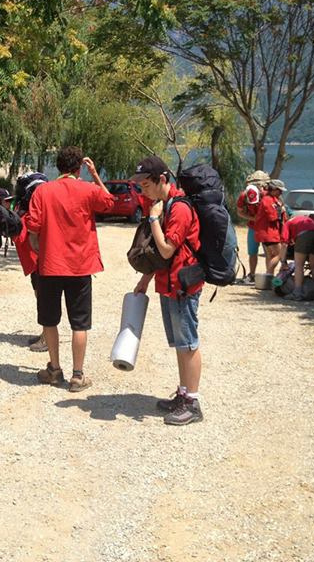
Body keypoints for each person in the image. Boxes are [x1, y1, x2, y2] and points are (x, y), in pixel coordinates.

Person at [25, 147, 113, 392]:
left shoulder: (43, 191)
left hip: (50, 266)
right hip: (80, 267)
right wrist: (95, 175)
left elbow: (33, 228)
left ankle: (54, 370)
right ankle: (77, 375)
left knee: (49, 320)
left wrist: (38, 249)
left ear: (59, 166)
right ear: (78, 168)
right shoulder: (88, 190)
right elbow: (109, 202)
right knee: (79, 324)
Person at [131, 156, 204, 426]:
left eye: (146, 185)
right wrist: (146, 279)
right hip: (170, 284)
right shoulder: (166, 205)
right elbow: (161, 257)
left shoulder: (179, 209)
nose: (143, 191)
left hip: (183, 286)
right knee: (179, 344)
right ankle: (183, 394)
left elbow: (165, 250)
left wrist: (153, 218)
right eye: (140, 186)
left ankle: (193, 403)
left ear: (162, 179)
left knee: (188, 344)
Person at [12, 172, 49, 352]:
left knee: (44, 297)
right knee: (40, 295)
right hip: (36, 261)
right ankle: (45, 333)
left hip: (41, 260)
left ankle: (47, 337)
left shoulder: (35, 211)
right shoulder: (31, 209)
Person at [236, 170, 269, 285]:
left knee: (268, 252)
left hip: (266, 228)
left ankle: (269, 275)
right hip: (253, 227)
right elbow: (239, 212)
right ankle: (252, 274)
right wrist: (252, 218)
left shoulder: (267, 196)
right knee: (252, 252)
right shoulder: (244, 195)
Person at [284, 214, 314, 300]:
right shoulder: (307, 220)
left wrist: (282, 261)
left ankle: (297, 293)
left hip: (304, 234)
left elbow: (284, 244)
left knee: (299, 265)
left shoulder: (288, 223)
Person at [255, 179, 288, 275]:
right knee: (280, 254)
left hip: (269, 232)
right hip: (269, 233)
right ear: (273, 189)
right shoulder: (267, 200)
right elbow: (272, 217)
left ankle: (269, 278)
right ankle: (268, 274)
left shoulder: (273, 199)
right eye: (279, 190)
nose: (281, 193)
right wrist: (281, 210)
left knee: (270, 256)